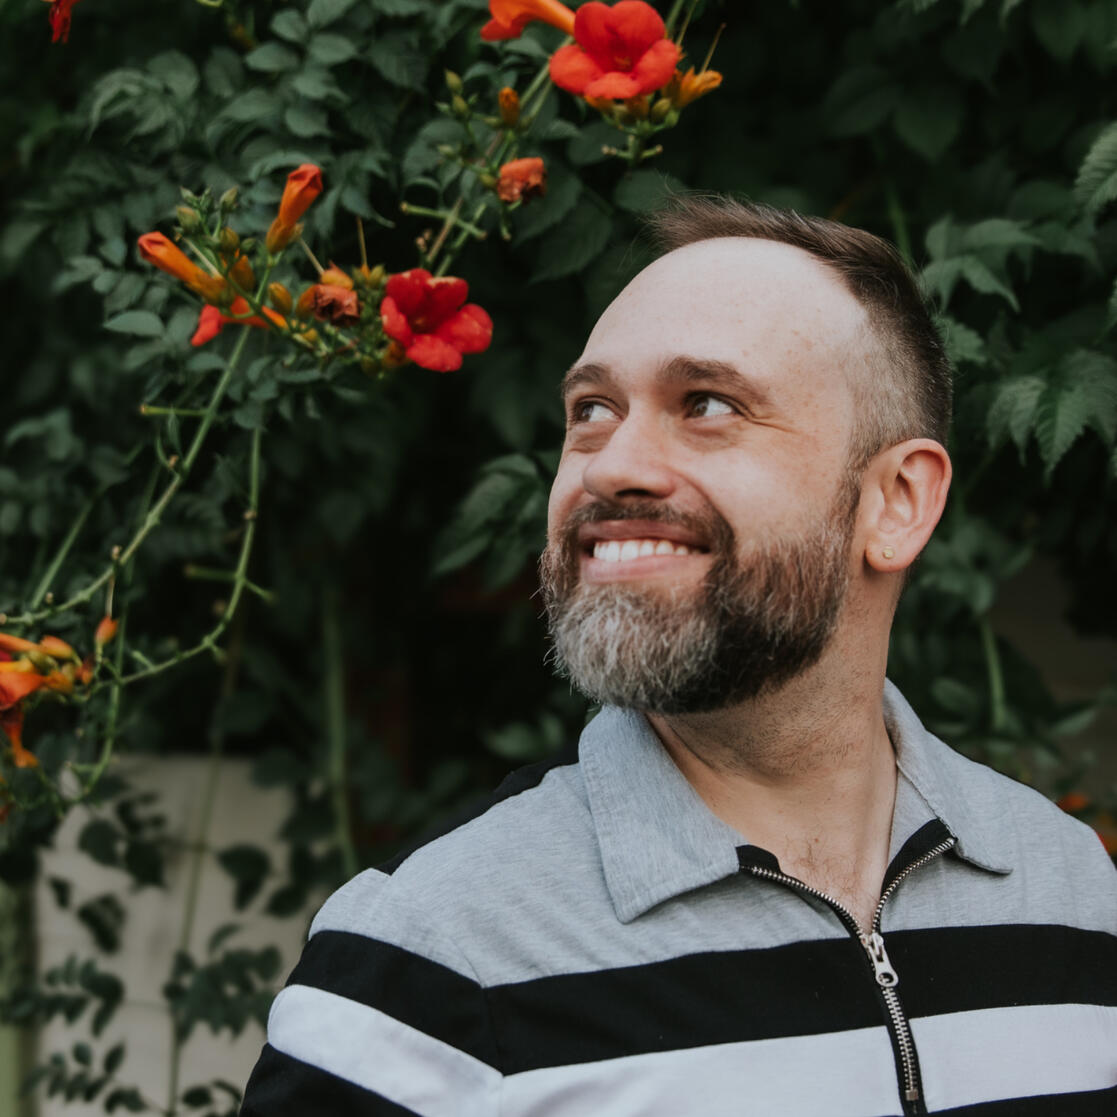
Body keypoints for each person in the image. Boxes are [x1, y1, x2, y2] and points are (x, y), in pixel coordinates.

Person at [240, 197, 1117, 1116]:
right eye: (591, 410)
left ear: (896, 502)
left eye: (706, 404)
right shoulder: (427, 959)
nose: (609, 465)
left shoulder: (1070, 891)